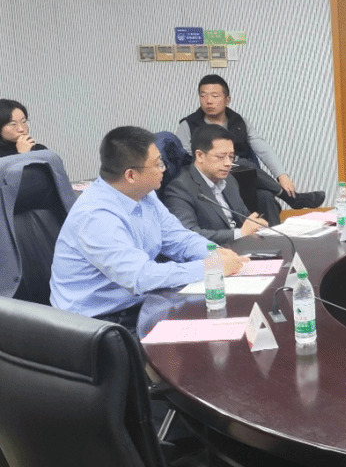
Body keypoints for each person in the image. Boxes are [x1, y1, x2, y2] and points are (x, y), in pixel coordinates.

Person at [50, 126, 248, 333]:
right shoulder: (96, 216)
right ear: (131, 175)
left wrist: (216, 254)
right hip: (98, 324)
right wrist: (210, 267)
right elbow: (140, 277)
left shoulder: (144, 194)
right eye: (157, 164)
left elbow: (179, 238)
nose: (164, 168)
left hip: (141, 304)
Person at [176, 74, 324, 224]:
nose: (208, 101)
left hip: (242, 180)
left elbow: (262, 148)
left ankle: (275, 236)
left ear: (227, 100)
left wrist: (282, 175)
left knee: (265, 196)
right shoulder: (188, 125)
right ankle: (290, 197)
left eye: (215, 96)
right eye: (203, 96)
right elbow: (186, 158)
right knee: (243, 163)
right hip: (208, 180)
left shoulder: (239, 123)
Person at [162, 124, 265, 244]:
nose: (228, 163)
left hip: (240, 246)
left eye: (231, 157)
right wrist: (239, 234)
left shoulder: (229, 180)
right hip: (210, 251)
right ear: (200, 155)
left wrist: (256, 224)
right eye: (221, 157)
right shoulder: (179, 188)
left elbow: (243, 216)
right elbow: (188, 235)